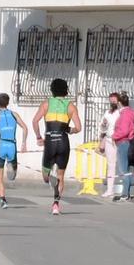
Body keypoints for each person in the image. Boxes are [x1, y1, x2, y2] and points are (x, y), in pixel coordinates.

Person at [32, 78, 79, 215]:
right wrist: (69, 130)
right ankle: (56, 204)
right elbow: (79, 127)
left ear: (52, 90)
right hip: (64, 142)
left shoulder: (46, 104)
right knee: (61, 176)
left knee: (45, 176)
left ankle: (49, 176)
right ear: (66, 90)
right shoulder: (71, 106)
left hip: (50, 141)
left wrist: (39, 137)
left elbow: (35, 121)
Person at [106, 90, 134, 201]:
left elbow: (124, 130)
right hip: (128, 142)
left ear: (119, 103)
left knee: (123, 170)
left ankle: (125, 194)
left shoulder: (125, 114)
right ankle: (126, 193)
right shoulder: (130, 113)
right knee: (127, 169)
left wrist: (113, 136)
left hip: (123, 143)